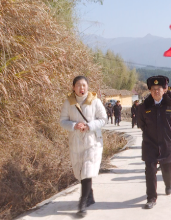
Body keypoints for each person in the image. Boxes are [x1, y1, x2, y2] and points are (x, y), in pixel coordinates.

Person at [60, 76, 107, 217]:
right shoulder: (68, 103)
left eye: (84, 85)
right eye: (79, 85)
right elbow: (62, 121)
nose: (82, 88)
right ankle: (90, 196)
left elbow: (103, 119)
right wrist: (74, 125)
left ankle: (82, 202)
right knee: (80, 173)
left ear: (88, 87)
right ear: (73, 87)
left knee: (87, 169)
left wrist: (89, 126)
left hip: (93, 141)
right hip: (76, 142)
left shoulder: (95, 101)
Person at [137, 75, 171, 209]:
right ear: (150, 90)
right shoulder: (143, 107)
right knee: (150, 170)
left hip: (167, 144)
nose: (156, 91)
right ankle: (151, 198)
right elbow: (141, 124)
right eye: (153, 89)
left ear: (164, 90)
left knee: (167, 168)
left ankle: (168, 184)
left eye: (159, 88)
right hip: (150, 144)